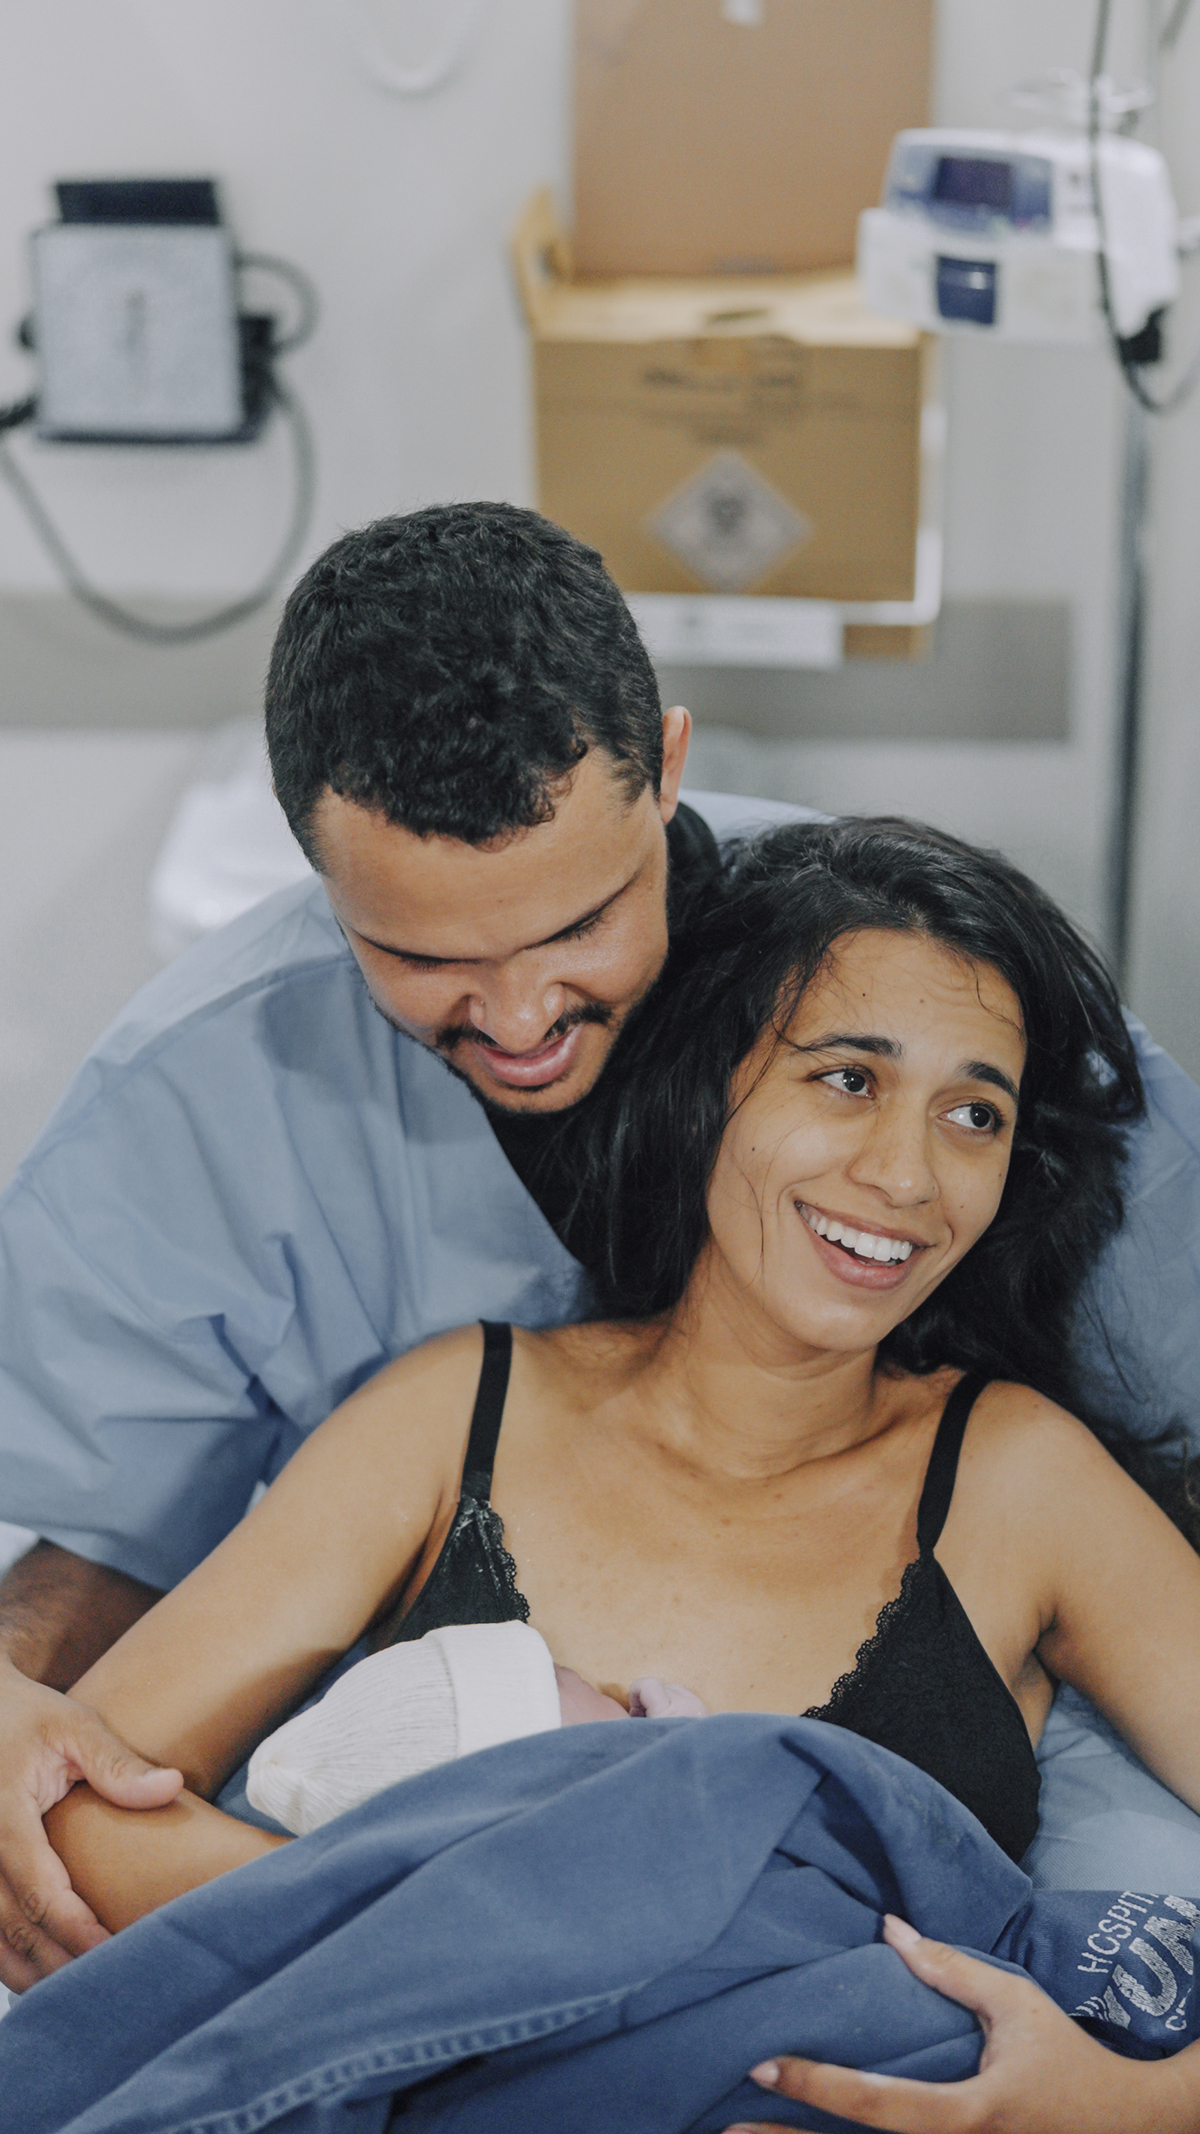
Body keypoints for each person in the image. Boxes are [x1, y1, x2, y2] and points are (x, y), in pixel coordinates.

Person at [26, 819, 1200, 2134]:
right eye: (845, 1079)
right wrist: (520, 1955)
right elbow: (69, 1815)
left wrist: (1140, 2103)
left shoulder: (1021, 1479)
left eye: (974, 1114)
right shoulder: (454, 1416)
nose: (905, 1174)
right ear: (712, 1081)